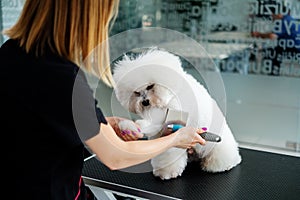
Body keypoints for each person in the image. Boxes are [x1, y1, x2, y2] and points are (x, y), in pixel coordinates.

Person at [1, 0, 206, 199]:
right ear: (89, 18)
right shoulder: (64, 78)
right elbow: (116, 156)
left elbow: (35, 120)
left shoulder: (11, 53)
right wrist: (175, 139)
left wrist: (101, 122)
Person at [251, 8, 300, 75]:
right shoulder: (289, 18)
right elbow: (275, 34)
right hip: (295, 46)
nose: (272, 18)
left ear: (278, 14)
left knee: (271, 54)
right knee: (274, 51)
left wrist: (258, 34)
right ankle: (273, 73)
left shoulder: (284, 21)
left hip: (295, 48)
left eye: (273, 15)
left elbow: (272, 36)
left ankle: (273, 76)